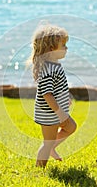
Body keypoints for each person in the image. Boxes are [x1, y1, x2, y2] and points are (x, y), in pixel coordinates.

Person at [29, 23, 77, 167]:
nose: (66, 48)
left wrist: (64, 98)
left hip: (57, 111)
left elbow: (56, 88)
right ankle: (39, 169)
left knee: (71, 127)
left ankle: (52, 148)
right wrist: (60, 112)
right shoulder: (48, 69)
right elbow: (47, 94)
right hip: (50, 113)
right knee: (47, 142)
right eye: (63, 45)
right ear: (51, 49)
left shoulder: (54, 65)